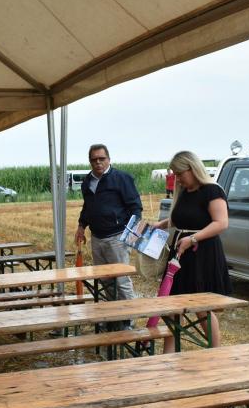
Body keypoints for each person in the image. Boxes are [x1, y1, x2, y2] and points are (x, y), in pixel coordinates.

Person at [153, 151, 231, 353]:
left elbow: (221, 223)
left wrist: (193, 239)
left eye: (180, 174)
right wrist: (162, 224)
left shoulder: (212, 190)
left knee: (201, 307)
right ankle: (169, 356)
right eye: (175, 174)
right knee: (171, 306)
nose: (177, 179)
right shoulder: (185, 192)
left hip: (202, 254)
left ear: (192, 168)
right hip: (181, 253)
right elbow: (184, 217)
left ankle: (215, 354)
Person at [75, 144, 142, 323]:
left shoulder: (122, 178)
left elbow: (135, 207)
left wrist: (132, 232)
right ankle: (112, 318)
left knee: (121, 280)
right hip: (97, 238)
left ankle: (128, 320)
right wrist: (81, 226)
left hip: (117, 238)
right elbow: (88, 207)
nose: (98, 162)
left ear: (109, 159)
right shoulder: (87, 182)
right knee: (105, 281)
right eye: (94, 160)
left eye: (101, 159)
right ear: (90, 161)